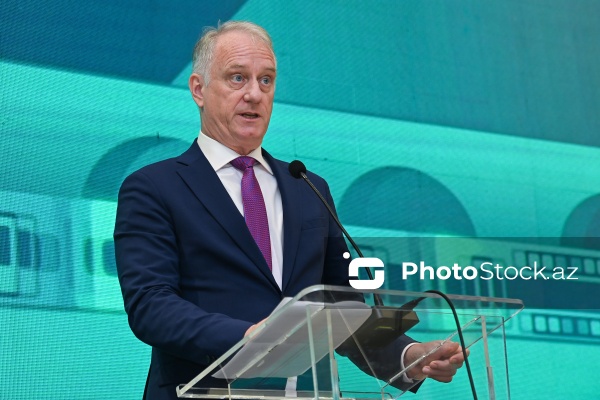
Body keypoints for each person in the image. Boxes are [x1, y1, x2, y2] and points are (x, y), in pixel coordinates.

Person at [114, 21, 465, 400]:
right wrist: (247, 337)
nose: (254, 94)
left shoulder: (308, 187)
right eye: (237, 78)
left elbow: (343, 307)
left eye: (266, 80)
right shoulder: (154, 187)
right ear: (199, 89)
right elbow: (151, 305)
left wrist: (408, 356)